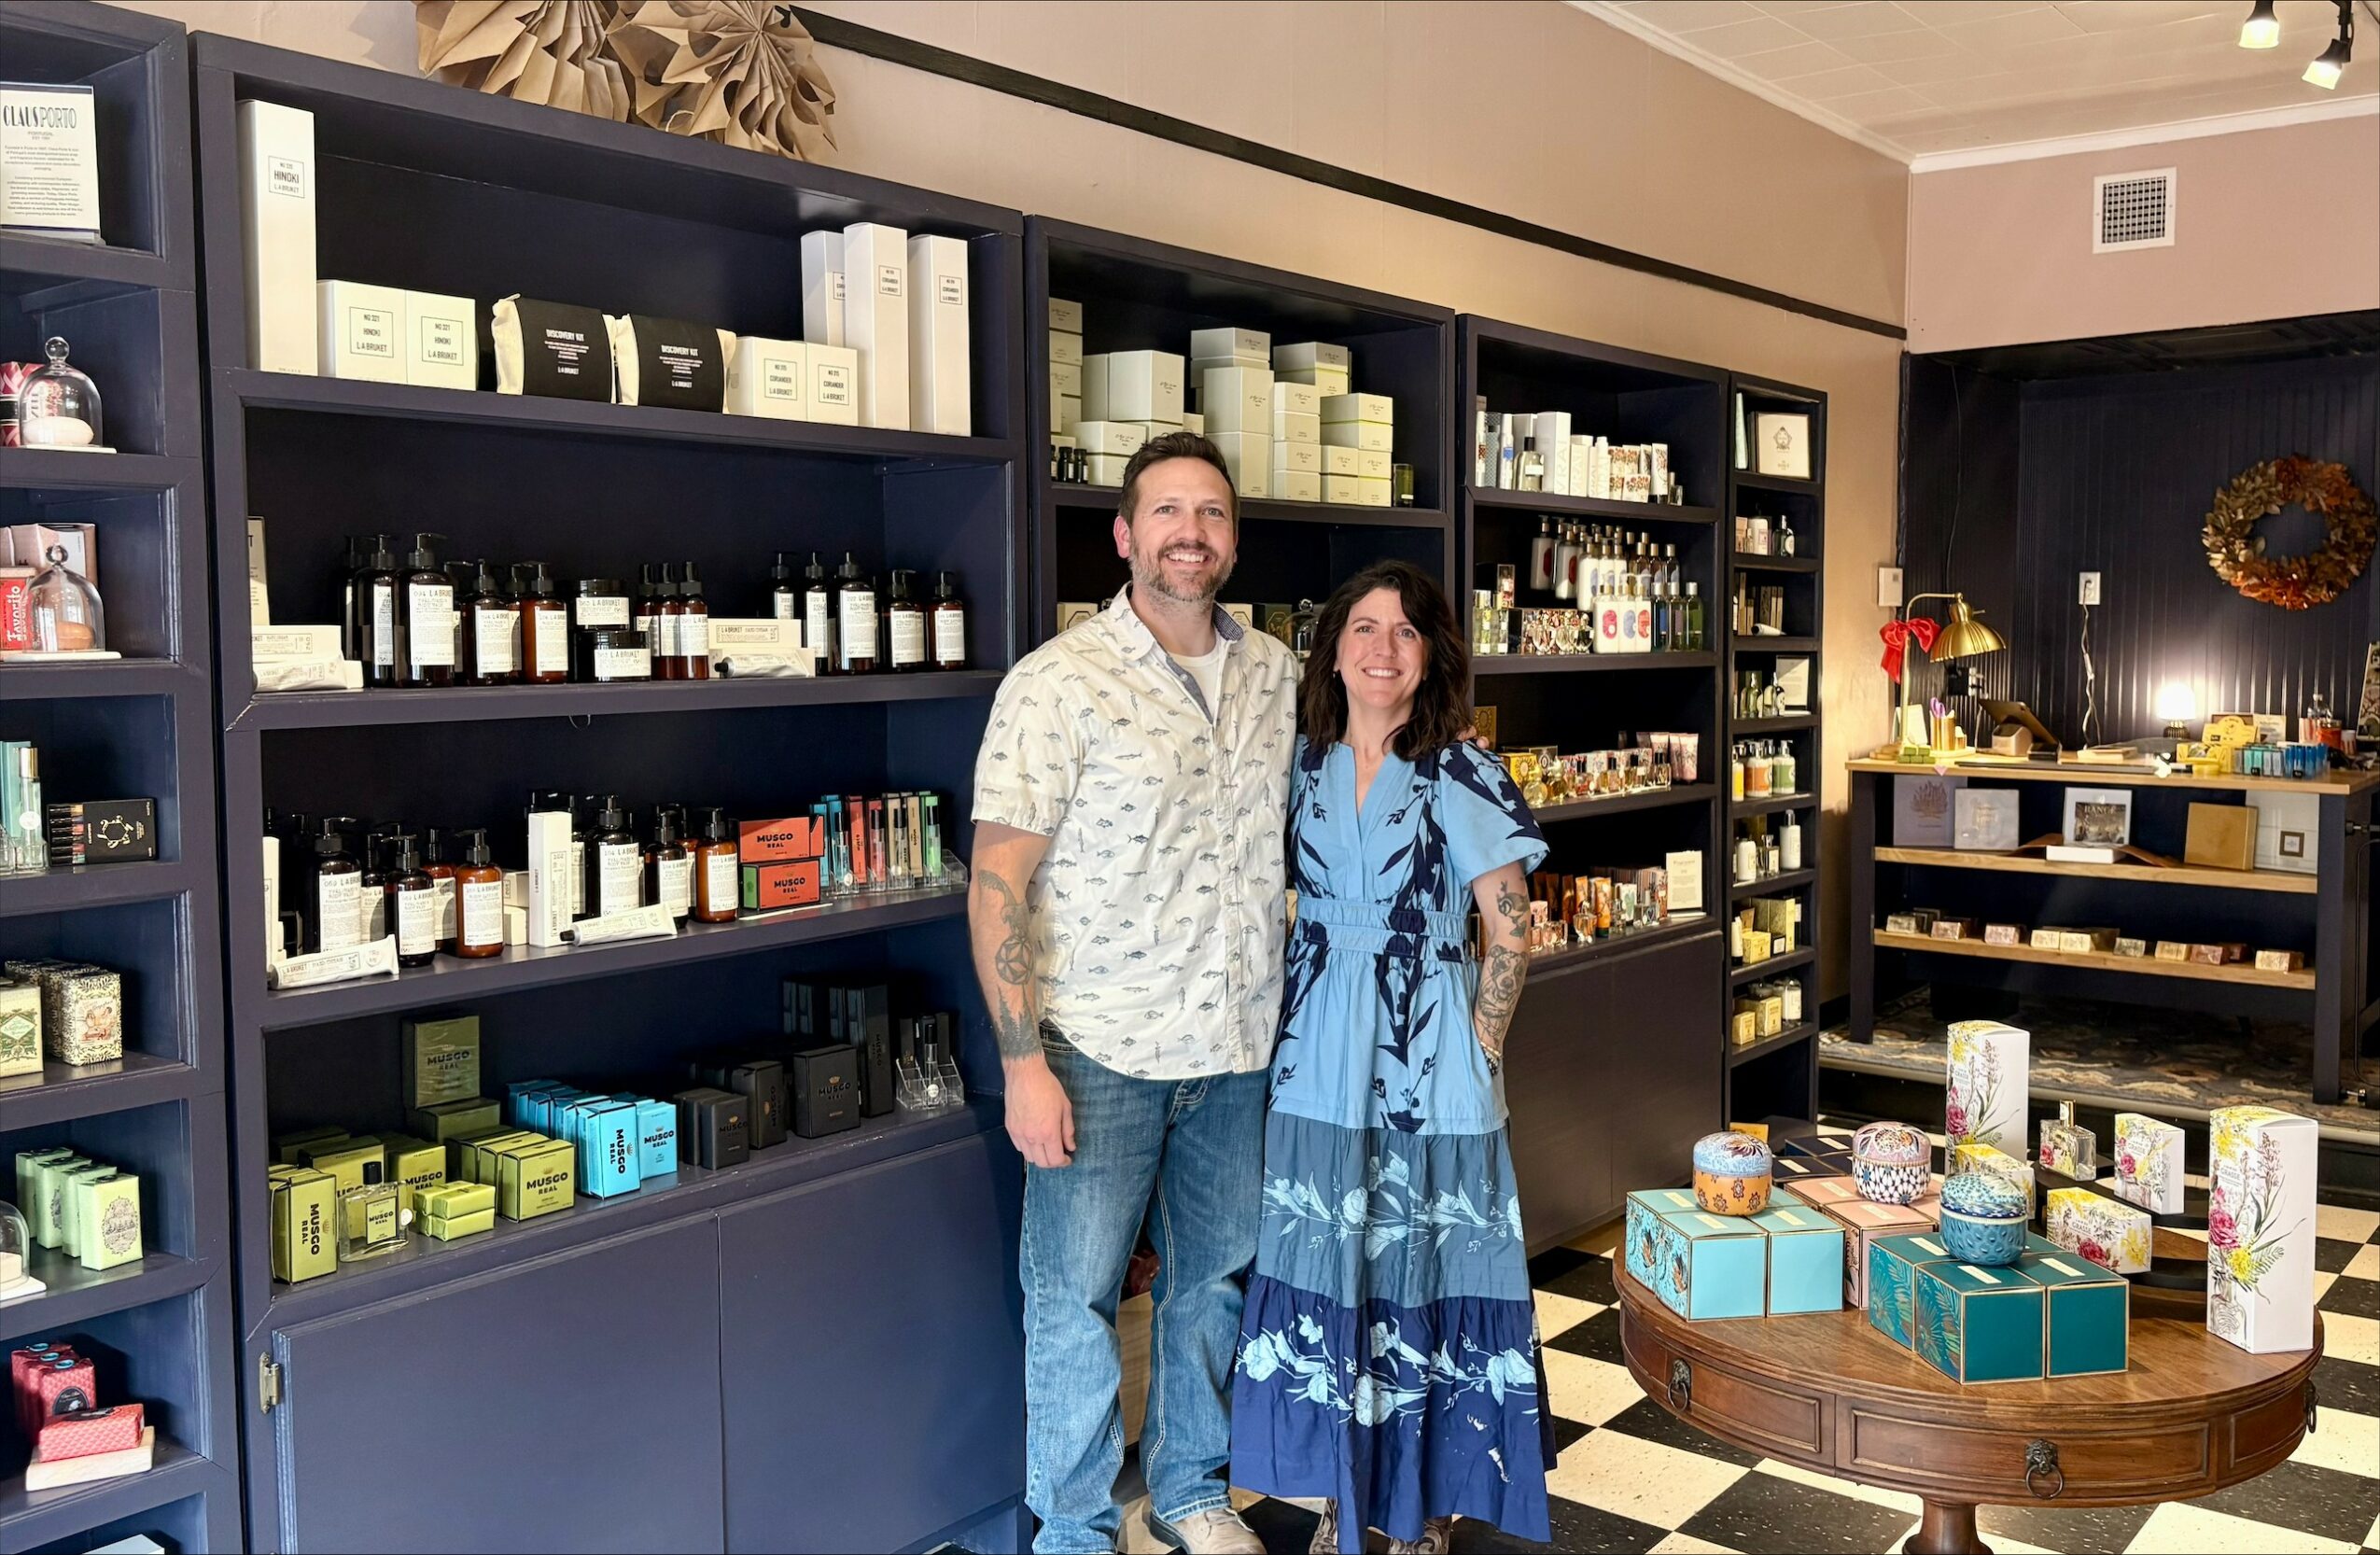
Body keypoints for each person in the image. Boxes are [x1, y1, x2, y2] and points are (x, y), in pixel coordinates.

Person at [969, 431, 1295, 1554]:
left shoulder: (1277, 675)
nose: (1189, 533)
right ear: (1123, 535)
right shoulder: (1057, 683)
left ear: (1232, 539)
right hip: (1098, 1048)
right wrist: (1022, 1064)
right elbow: (998, 882)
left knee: (1216, 1283)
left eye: (1210, 513)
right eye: (1166, 512)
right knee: (1074, 1300)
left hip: (1240, 1045)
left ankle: (1191, 1492)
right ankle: (1073, 1530)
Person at [1228, 560, 1554, 1554]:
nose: (1382, 648)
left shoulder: (1462, 771)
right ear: (1332, 650)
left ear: (1430, 657)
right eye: (1364, 629)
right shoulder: (1301, 764)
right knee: (1328, 1262)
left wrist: (1480, 1044)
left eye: (1405, 632)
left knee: (1428, 1262)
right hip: (1316, 1052)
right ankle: (1342, 1488)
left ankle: (1427, 1508)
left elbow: (1513, 926)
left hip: (1428, 1053)